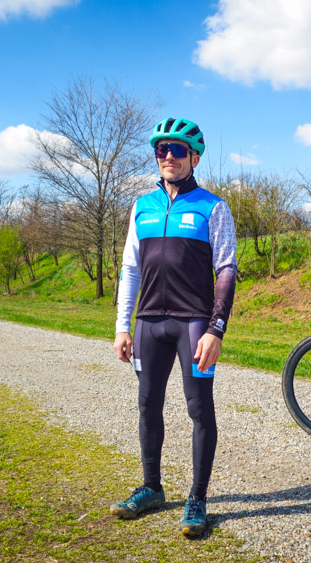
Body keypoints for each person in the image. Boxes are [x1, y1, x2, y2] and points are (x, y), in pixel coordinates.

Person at [110, 117, 237, 537]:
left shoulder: (213, 207)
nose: (168, 156)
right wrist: (122, 326)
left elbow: (226, 270)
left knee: (199, 408)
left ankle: (197, 498)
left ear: (194, 157)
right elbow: (130, 269)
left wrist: (216, 329)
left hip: (193, 323)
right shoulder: (142, 206)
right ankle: (151, 488)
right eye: (161, 149)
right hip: (148, 321)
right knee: (147, 404)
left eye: (177, 150)